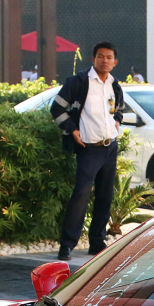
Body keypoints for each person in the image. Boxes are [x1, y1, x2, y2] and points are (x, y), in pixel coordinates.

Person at [50, 42, 124, 260]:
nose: (105, 60)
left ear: (115, 62)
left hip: (109, 147)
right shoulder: (79, 82)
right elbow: (57, 108)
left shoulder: (114, 85)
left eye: (109, 57)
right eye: (100, 56)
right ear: (93, 59)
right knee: (81, 194)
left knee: (105, 196)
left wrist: (117, 122)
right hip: (88, 148)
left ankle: (97, 242)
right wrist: (72, 130)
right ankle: (67, 245)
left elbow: (119, 109)